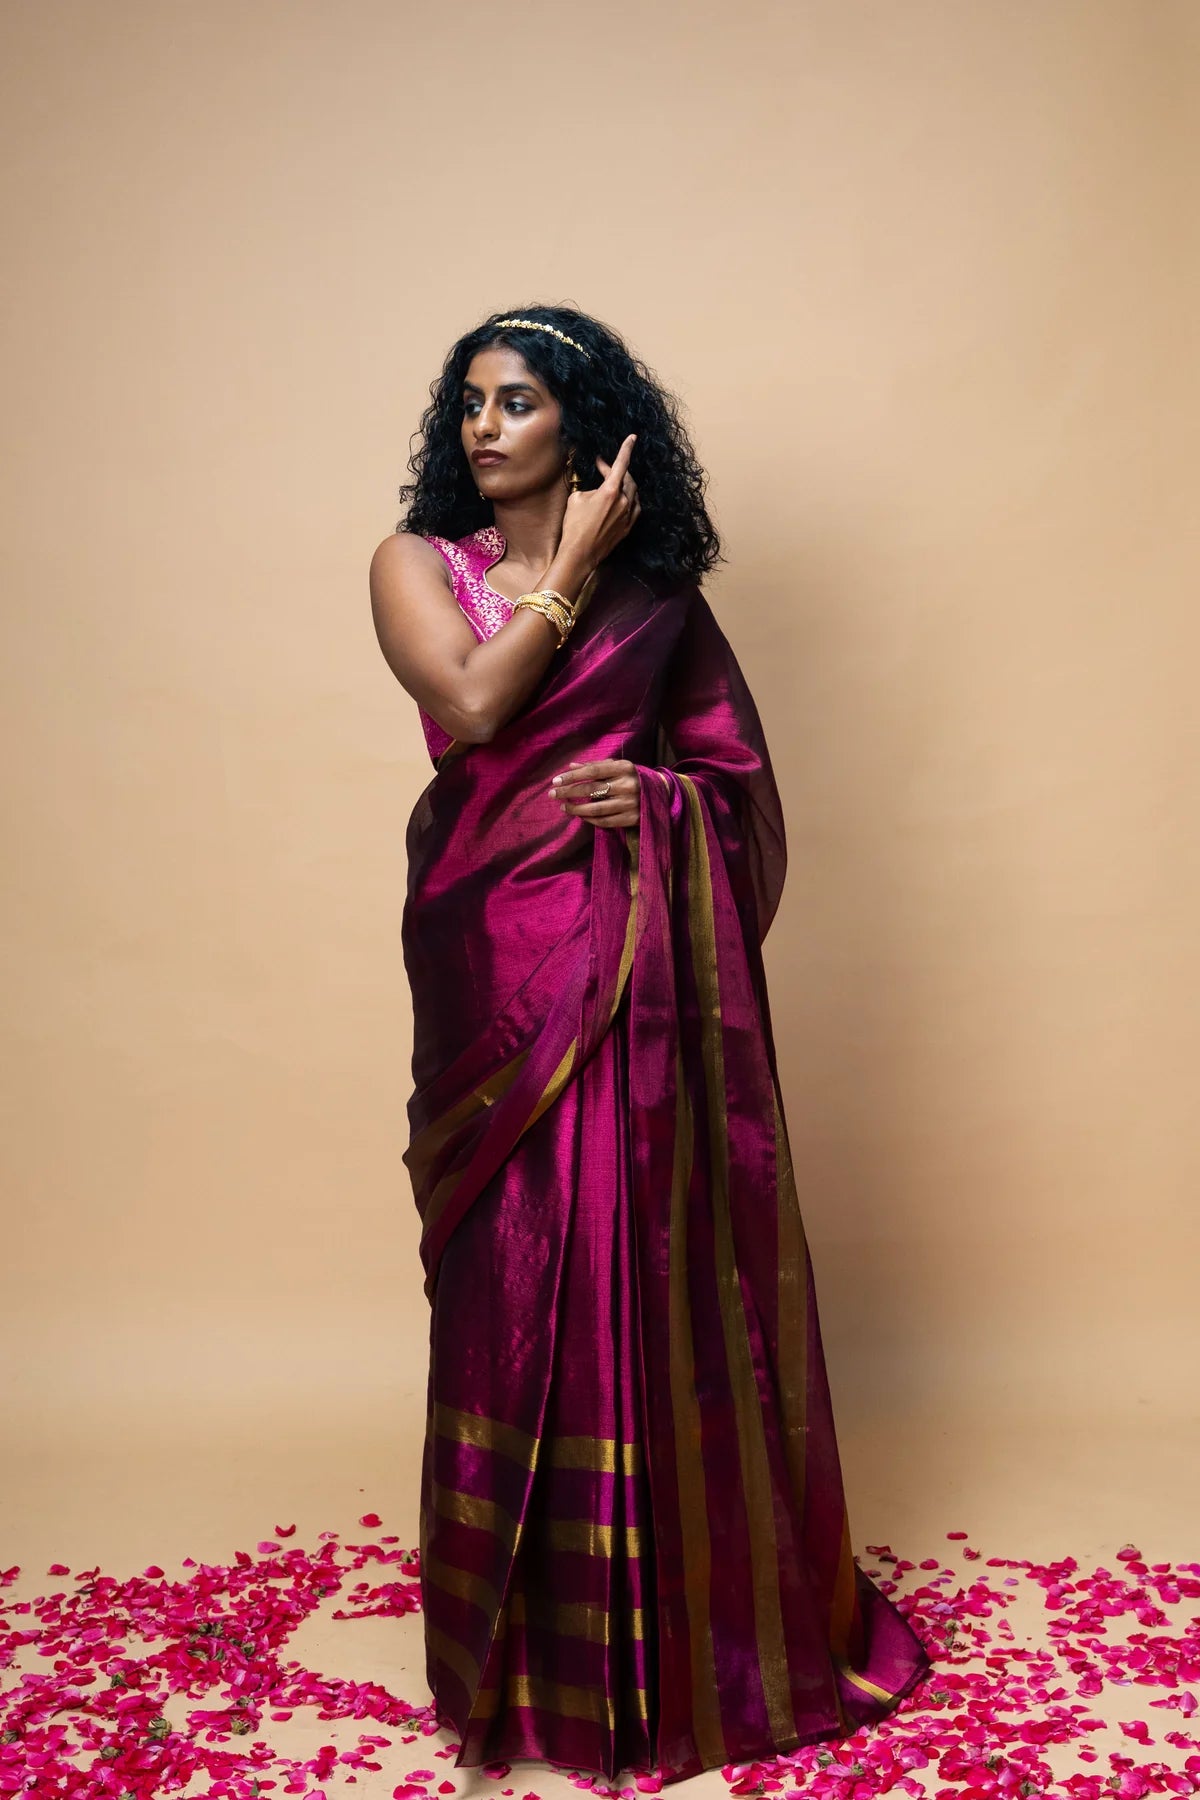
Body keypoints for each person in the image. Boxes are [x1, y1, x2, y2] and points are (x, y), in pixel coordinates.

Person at [368, 305, 931, 1784]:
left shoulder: (663, 606)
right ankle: (514, 1647)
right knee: (512, 1264)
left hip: (632, 954)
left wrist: (662, 805)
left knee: (634, 1247)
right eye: (470, 402)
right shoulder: (417, 566)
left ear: (586, 425)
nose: (485, 427)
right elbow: (472, 702)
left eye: (519, 402)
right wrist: (569, 572)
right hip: (492, 951)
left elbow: (738, 793)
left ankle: (664, 1638)